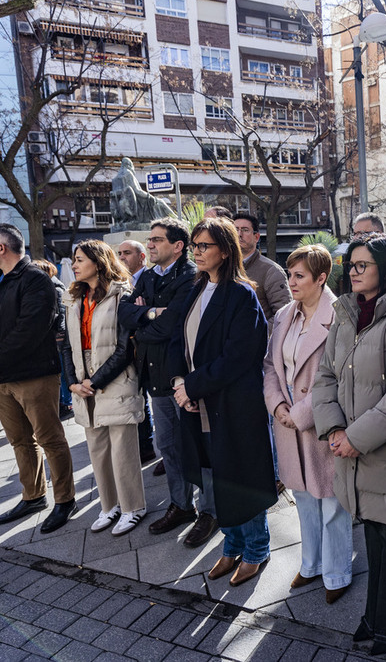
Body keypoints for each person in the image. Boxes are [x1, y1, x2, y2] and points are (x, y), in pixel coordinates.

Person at [313, 232, 386, 655]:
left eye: (363, 265)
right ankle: (377, 619)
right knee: (377, 544)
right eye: (352, 264)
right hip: (354, 451)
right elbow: (325, 375)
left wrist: (354, 438)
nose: (354, 272)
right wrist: (331, 429)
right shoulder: (346, 311)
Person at [171, 217, 278, 587]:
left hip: (233, 403)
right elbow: (178, 342)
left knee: (241, 477)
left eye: (205, 246)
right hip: (201, 401)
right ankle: (231, 545)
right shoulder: (196, 287)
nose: (197, 252)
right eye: (195, 245)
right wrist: (179, 383)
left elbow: (238, 356)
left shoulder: (241, 294)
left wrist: (193, 387)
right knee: (218, 477)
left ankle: (256, 550)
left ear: (226, 250)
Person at [0, 224, 78, 534]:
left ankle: (65, 500)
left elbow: (29, 331)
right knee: (20, 441)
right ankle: (33, 496)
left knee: (50, 439)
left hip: (32, 375)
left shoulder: (36, 280)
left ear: (2, 248)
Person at [118, 218, 216, 545]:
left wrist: (145, 319)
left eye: (157, 240)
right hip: (154, 376)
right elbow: (124, 312)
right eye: (149, 240)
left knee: (197, 447)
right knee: (169, 447)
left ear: (178, 246)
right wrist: (148, 313)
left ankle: (210, 511)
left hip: (182, 377)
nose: (150, 245)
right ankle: (180, 505)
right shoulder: (146, 276)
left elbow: (173, 326)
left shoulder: (190, 277)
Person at [264, 244, 353, 604]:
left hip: (322, 422)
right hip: (287, 424)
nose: (291, 281)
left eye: (299, 275)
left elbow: (339, 377)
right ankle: (311, 563)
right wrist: (277, 406)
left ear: (321, 278)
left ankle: (337, 573)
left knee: (332, 501)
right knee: (302, 498)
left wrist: (299, 413)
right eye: (289, 274)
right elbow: (270, 365)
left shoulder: (341, 315)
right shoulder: (284, 314)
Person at [61, 241, 147, 536]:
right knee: (96, 447)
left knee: (123, 448)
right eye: (74, 260)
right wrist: (72, 381)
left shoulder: (121, 294)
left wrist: (94, 382)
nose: (74, 265)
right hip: (83, 377)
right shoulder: (75, 299)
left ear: (98, 263)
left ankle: (133, 506)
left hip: (114, 376)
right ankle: (109, 505)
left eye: (80, 259)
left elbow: (125, 348)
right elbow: (66, 346)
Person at [116, 239, 156, 463]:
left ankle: (149, 445)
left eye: (127, 253)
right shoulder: (122, 283)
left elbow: (148, 316)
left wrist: (141, 313)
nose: (122, 257)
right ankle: (145, 445)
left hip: (148, 350)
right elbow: (125, 316)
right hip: (132, 352)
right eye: (120, 253)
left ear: (142, 257)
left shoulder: (149, 279)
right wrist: (137, 312)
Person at [30, 259, 73, 421]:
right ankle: (60, 402)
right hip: (47, 338)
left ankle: (67, 404)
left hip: (57, 338)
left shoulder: (55, 288)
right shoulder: (40, 287)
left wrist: (60, 336)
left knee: (62, 372)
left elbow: (62, 313)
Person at [233, 213, 291, 321]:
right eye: (235, 230)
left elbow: (284, 315)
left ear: (256, 237)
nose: (239, 234)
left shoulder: (271, 271)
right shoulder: (224, 269)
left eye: (245, 230)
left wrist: (258, 335)